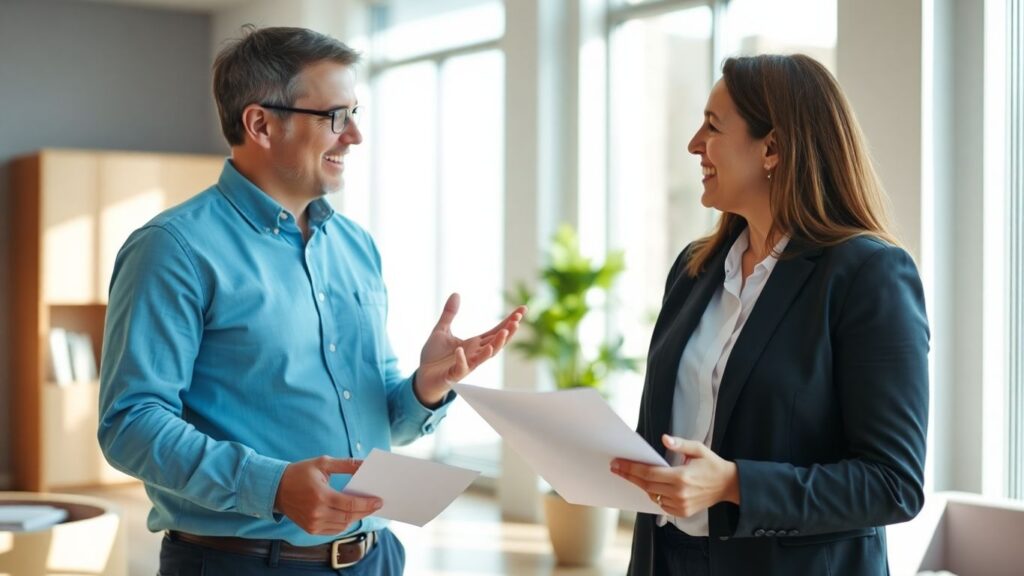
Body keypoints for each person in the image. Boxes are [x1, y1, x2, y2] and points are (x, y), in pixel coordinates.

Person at [98, 26, 524, 576]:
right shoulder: (173, 248)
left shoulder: (356, 247)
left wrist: (425, 387)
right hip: (243, 564)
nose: (356, 136)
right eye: (336, 116)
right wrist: (272, 486)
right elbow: (131, 424)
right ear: (261, 124)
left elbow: (376, 422)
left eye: (355, 113)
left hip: (376, 555)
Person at [610, 54, 929, 575]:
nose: (694, 144)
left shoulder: (869, 275)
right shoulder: (694, 269)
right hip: (669, 558)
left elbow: (893, 483)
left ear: (773, 148)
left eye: (713, 127)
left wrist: (735, 484)